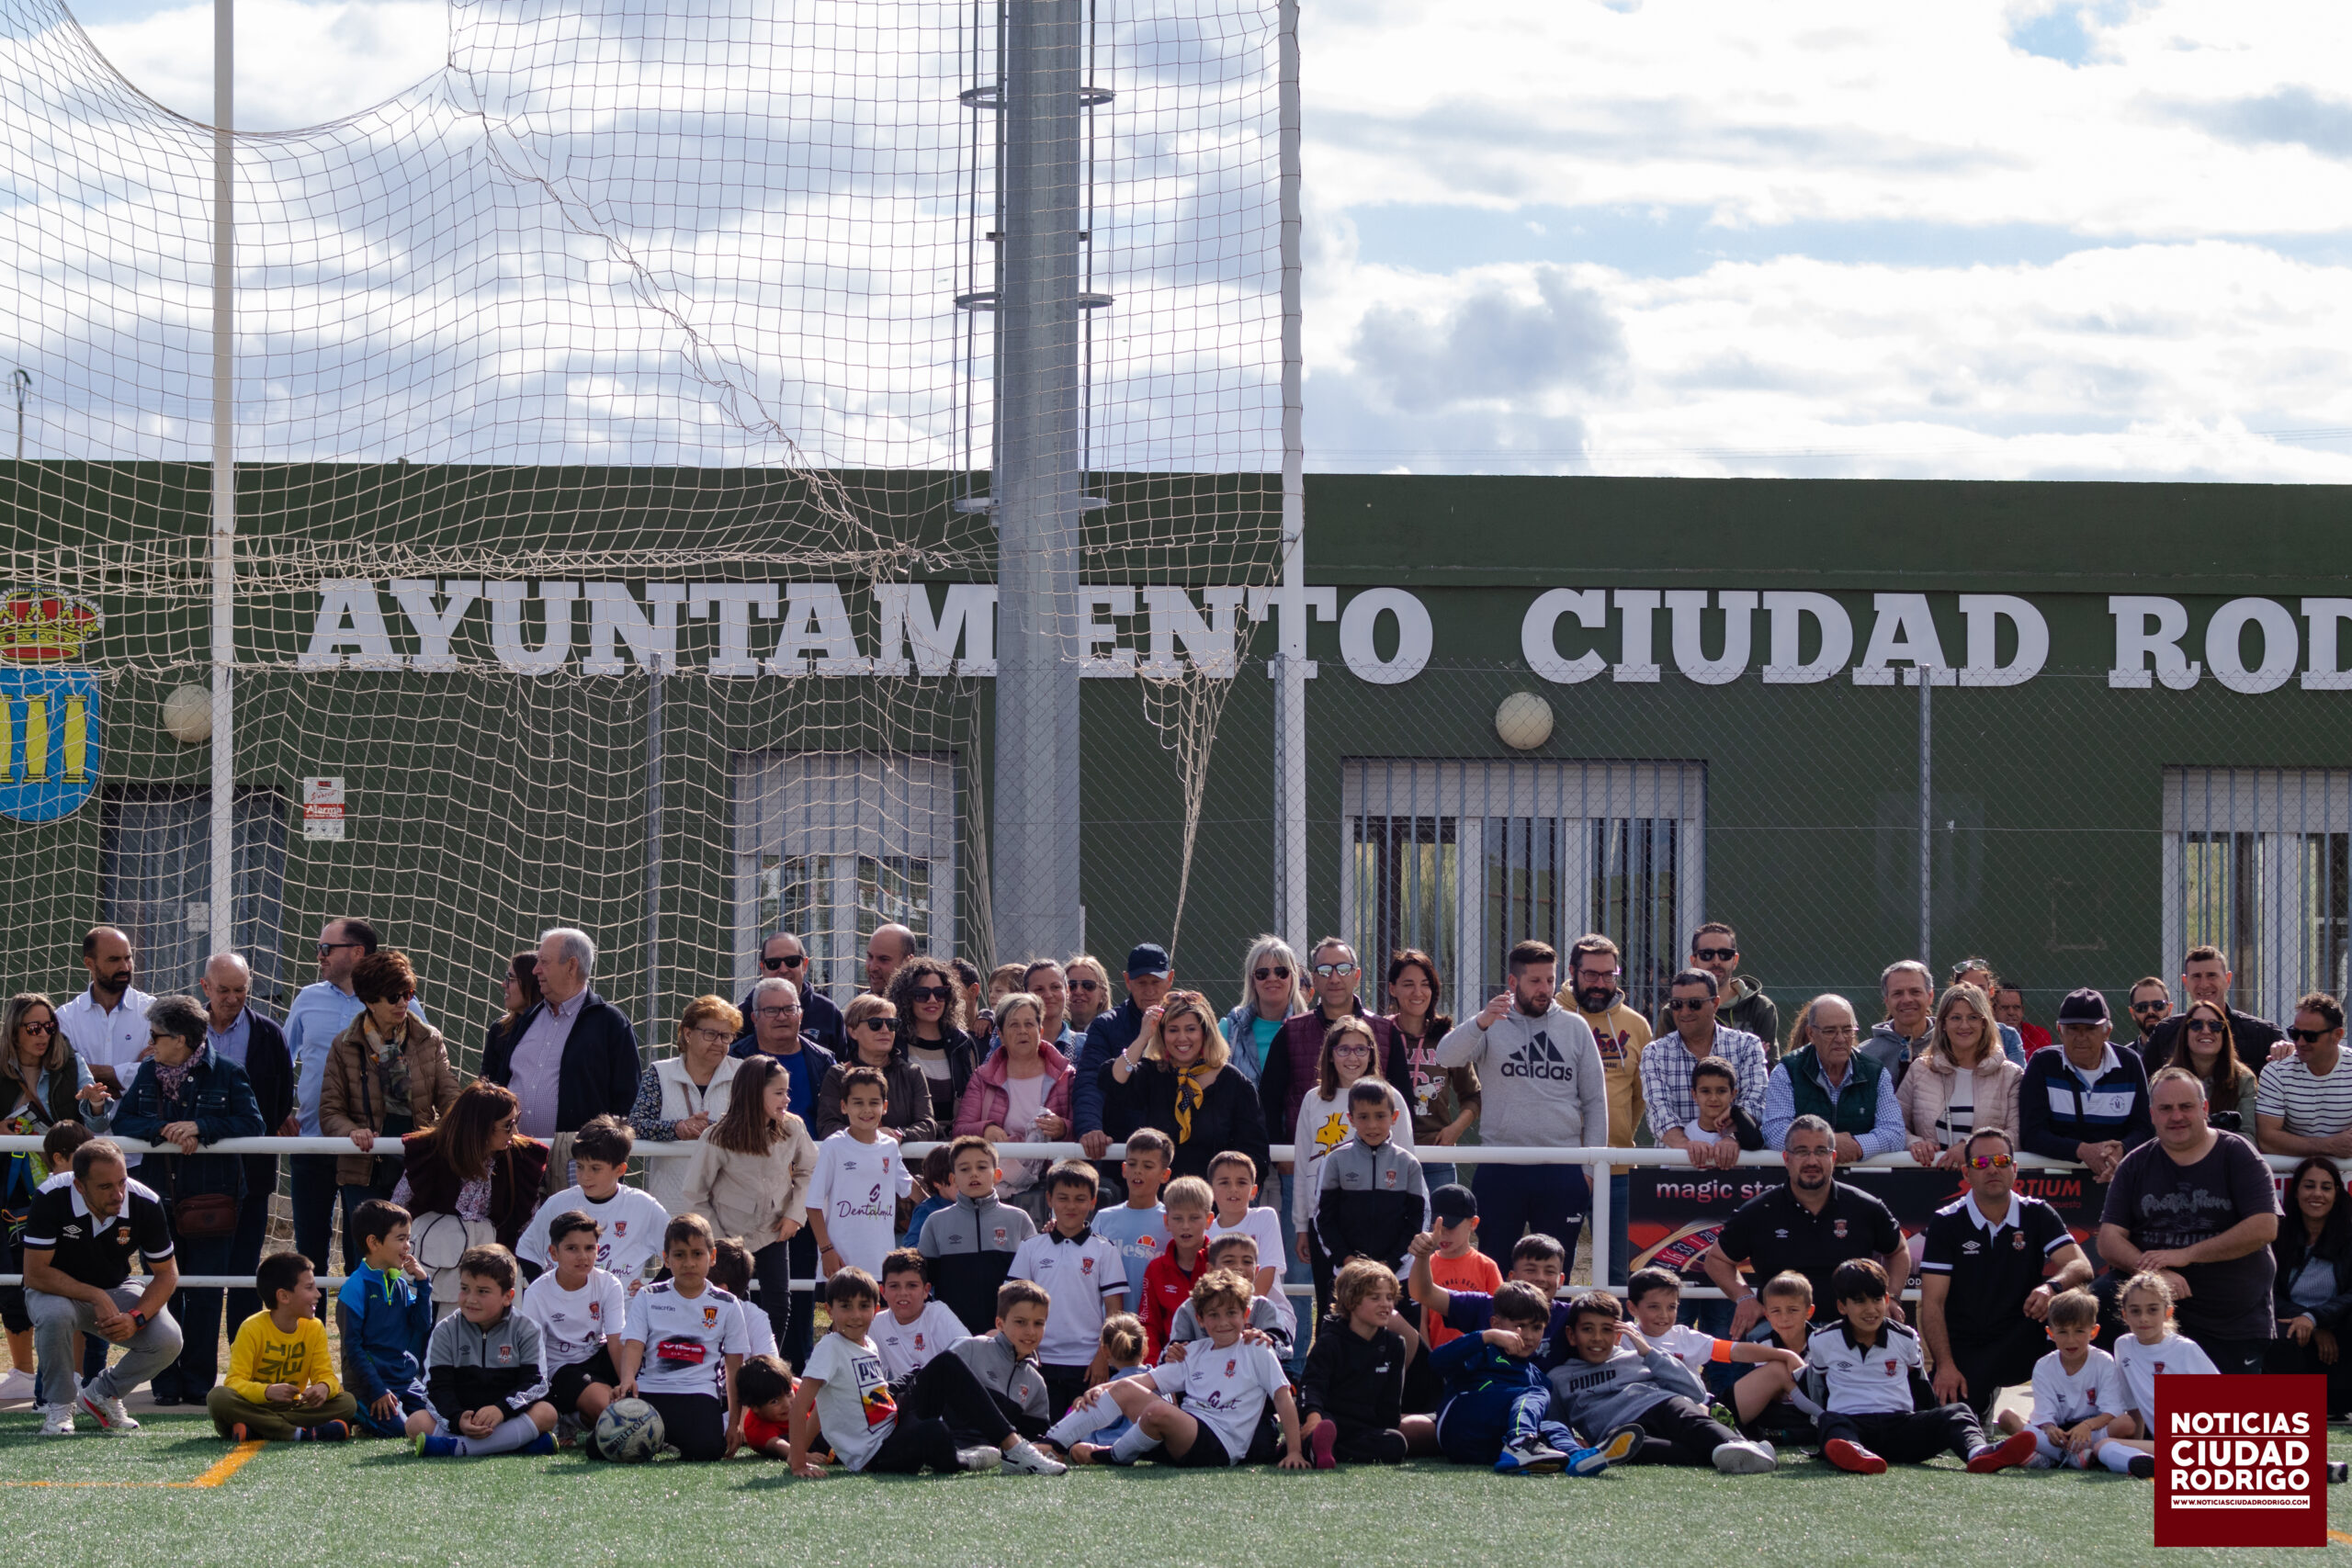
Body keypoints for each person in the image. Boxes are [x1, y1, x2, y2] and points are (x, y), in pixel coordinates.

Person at [110, 992, 266, 1404]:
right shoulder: (148, 1072)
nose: (150, 1044)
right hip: (156, 1202)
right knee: (162, 1291)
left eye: (156, 1036)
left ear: (180, 1039)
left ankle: (198, 1383)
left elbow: (252, 1123)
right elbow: (123, 1120)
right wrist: (163, 1130)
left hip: (213, 1202)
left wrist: (201, 1126)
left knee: (206, 1293)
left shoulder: (228, 1072)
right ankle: (164, 1382)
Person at [788, 1263, 1066, 1477]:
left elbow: (827, 1405)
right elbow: (803, 1405)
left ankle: (1014, 1449)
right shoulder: (831, 1346)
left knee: (946, 1363)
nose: (855, 1315)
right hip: (877, 1456)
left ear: (876, 1309)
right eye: (845, 1307)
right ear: (829, 1310)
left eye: (863, 1307)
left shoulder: (869, 1343)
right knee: (934, 1431)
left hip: (895, 1427)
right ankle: (964, 1460)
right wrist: (798, 1460)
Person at [1436, 939, 1608, 1270]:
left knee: (1555, 1272)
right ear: (1513, 982)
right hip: (1501, 1166)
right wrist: (1481, 1021)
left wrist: (1589, 1171)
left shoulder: (1575, 1027)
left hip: (1562, 1168)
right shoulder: (1490, 1024)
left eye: (1550, 980)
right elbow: (1445, 1056)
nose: (1545, 989)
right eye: (1535, 981)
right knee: (1495, 1268)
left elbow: (1595, 1102)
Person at [2097, 1066, 2281, 1373]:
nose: (2176, 1116)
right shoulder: (2135, 1164)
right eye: (2166, 1108)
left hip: (2230, 1315)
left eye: (2186, 1106)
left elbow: (2264, 1226)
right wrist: (2156, 1275)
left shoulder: (2238, 1154)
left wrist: (2186, 1255)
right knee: (2100, 1296)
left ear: (2204, 1108)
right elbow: (2108, 1240)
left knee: (2221, 1407)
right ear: (2152, 1114)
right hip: (2153, 1309)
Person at [1045, 1268, 1306, 1469]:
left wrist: (1294, 1451)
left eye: (1231, 1313)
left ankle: (1113, 1455)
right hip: (1183, 1435)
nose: (1223, 1322)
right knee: (1123, 1388)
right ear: (1200, 1319)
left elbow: (1283, 1397)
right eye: (1213, 1315)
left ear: (1245, 1315)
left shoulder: (1256, 1347)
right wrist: (1101, 1389)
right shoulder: (1194, 1351)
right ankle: (1050, 1444)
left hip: (1220, 1446)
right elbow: (1147, 1380)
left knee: (1158, 1411)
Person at [1915, 1127, 2094, 1416]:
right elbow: (1932, 1303)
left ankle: (2093, 1415)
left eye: (2001, 1161)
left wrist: (2051, 1287)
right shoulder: (1946, 1222)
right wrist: (1945, 1366)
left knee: (2096, 1300)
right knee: (1946, 1420)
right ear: (1966, 1173)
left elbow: (2081, 1266)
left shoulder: (2037, 1212)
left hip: (2025, 1332)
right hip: (1968, 1341)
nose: (1992, 1169)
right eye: (1981, 1163)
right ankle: (1988, 1407)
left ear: (2014, 1169)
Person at [1806, 1258, 2038, 1475]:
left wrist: (1931, 1419)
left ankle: (1979, 1452)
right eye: (1859, 1301)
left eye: (1876, 1299)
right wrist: (1822, 1425)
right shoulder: (1822, 1340)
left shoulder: (1906, 1337)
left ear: (1886, 1299)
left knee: (1957, 1411)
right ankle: (1854, 1453)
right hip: (1852, 1427)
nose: (1871, 1309)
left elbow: (1920, 1386)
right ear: (1842, 1306)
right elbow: (1817, 1389)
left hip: (1901, 1429)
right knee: (1829, 1419)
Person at [286, 919, 423, 1280]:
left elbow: (424, 1067)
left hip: (368, 1151)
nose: (319, 956)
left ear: (357, 952)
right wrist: (282, 1110)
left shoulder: (402, 1004)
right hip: (312, 1142)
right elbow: (283, 1058)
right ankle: (310, 1317)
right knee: (308, 1254)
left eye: (326, 948)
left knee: (362, 1254)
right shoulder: (307, 998)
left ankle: (358, 1318)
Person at [24, 1136, 181, 1437]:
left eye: (122, 1181)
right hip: (55, 1292)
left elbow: (167, 1274)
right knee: (55, 1315)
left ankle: (102, 1394)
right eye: (105, 1186)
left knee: (168, 1339)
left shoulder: (145, 1201)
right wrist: (94, 1295)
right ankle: (59, 1405)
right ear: (79, 1186)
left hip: (116, 1288)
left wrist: (136, 1318)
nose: (118, 1194)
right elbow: (35, 1274)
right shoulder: (50, 1195)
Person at [1700, 1115, 1905, 1333]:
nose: (1812, 1161)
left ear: (1833, 1157)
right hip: (1779, 1328)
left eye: (1821, 1151)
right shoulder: (1759, 1211)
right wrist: (1744, 1298)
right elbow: (1716, 1260)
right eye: (1802, 1151)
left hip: (1852, 1328)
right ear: (1786, 1158)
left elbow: (1899, 1251)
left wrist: (1891, 1297)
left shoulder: (1864, 1206)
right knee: (1755, 1340)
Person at [2, 991, 110, 1403]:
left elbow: (96, 1124)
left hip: (67, 1184)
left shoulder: (70, 1063)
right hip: (9, 1187)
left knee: (74, 1276)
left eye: (49, 1026)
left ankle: (77, 1377)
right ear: (14, 1030)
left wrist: (95, 1105)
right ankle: (24, 1373)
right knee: (14, 1275)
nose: (43, 1035)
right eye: (33, 1027)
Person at [321, 949, 459, 1269]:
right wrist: (352, 1132)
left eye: (408, 994)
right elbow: (330, 1111)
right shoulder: (344, 1045)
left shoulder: (429, 1039)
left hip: (418, 1167)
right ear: (369, 1000)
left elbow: (451, 1097)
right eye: (393, 996)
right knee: (365, 1262)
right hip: (363, 1170)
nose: (403, 1003)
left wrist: (447, 1133)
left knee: (415, 1257)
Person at [680, 1052, 817, 1367]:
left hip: (773, 1232)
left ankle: (766, 1367)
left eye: (787, 1092)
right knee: (732, 1305)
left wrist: (795, 1215)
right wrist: (718, 1240)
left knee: (779, 1305)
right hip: (729, 1238)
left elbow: (810, 1169)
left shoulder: (793, 1128)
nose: (787, 1099)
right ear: (755, 1093)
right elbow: (695, 1192)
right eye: (779, 1093)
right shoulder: (718, 1136)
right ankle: (730, 1368)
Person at [1547, 1291, 1779, 1472]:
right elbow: (1555, 1422)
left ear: (1618, 1335)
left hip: (1660, 1406)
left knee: (1685, 1413)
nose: (1597, 1338)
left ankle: (1736, 1444)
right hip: (1619, 1431)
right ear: (1571, 1335)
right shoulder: (1558, 1377)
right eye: (1588, 1330)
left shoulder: (1640, 1357)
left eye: (1606, 1330)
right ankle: (1744, 1453)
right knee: (1639, 1450)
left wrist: (1649, 1353)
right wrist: (1573, 1443)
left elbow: (1696, 1392)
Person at [481, 928, 642, 1171]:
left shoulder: (611, 1024)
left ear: (571, 966)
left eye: (544, 962)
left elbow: (628, 1103)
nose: (536, 970)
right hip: (514, 1160)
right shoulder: (527, 1019)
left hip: (578, 1165)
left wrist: (600, 1157)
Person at [1424, 1280, 1613, 1474]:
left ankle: (1577, 1457)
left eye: (1537, 1327)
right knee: (1536, 1393)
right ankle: (1521, 1443)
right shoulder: (1483, 1351)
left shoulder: (1536, 1377)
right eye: (1520, 1325)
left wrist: (1569, 1438)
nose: (1529, 1336)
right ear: (1495, 1324)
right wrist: (1486, 1336)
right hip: (1459, 1426)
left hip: (1490, 1447)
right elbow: (1436, 1361)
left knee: (1552, 1425)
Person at [195, 953, 290, 1337]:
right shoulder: (184, 1030)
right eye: (224, 990)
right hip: (196, 1171)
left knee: (245, 1269)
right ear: (205, 987)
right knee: (199, 1273)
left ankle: (243, 1355)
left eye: (240, 990)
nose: (232, 998)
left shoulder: (269, 1034)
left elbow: (281, 1100)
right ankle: (194, 1359)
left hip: (253, 1171)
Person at [1256, 940, 1411, 1171]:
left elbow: (1403, 1099)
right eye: (1325, 971)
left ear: (1357, 976)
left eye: (1344, 969)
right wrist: (1282, 1158)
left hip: (1375, 1164)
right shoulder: (1291, 1031)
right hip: (1305, 1164)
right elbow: (1268, 1100)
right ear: (1314, 979)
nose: (1335, 978)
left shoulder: (1385, 1032)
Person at [392, 1081, 550, 1304]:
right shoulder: (431, 1152)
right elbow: (398, 1209)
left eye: (517, 1121)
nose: (515, 1132)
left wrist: (547, 1274)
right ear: (481, 1127)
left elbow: (530, 1225)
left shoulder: (521, 1159)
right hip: (433, 1270)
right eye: (508, 1125)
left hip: (492, 1271)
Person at [605, 1214, 745, 1461]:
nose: (689, 1263)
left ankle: (665, 1439)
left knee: (708, 1450)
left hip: (699, 1394)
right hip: (649, 1391)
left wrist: (735, 1424)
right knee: (602, 1449)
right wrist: (627, 1379)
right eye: (679, 1255)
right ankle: (659, 1438)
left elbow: (735, 1368)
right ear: (666, 1259)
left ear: (712, 1257)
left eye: (697, 1254)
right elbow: (634, 1345)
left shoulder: (728, 1304)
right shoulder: (648, 1296)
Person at [409, 1244, 557, 1458]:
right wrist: (458, 1419)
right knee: (416, 1422)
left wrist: (501, 1410)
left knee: (546, 1413)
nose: (471, 1299)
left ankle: (458, 1448)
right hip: (462, 1421)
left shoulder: (526, 1329)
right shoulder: (445, 1330)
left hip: (507, 1418)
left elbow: (535, 1384)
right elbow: (436, 1389)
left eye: (483, 1291)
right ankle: (513, 1445)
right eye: (465, 1288)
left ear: (508, 1296)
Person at [1105, 991, 1271, 1183]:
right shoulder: (1153, 1074)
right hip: (1159, 1194)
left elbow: (1255, 1154)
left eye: (1191, 1029)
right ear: (1162, 1034)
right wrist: (1143, 1037)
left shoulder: (1235, 1084)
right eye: (1173, 1030)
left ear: (1205, 1032)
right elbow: (1114, 1080)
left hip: (1213, 1196)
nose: (1182, 1038)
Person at [1007, 1160, 1128, 1414]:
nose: (1071, 1206)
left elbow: (1114, 1311)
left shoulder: (1104, 1250)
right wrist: (1021, 1349)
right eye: (1063, 1198)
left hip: (1087, 1364)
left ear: (1093, 1202)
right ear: (1049, 1199)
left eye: (1080, 1199)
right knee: (1039, 1429)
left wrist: (1102, 1356)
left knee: (1081, 1431)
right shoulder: (1031, 1248)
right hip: (1038, 1358)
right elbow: (1012, 1303)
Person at [1292, 1016, 1415, 1266]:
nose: (1352, 1057)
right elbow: (1303, 1166)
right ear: (1330, 1054)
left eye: (1360, 1049)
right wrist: (1301, 1225)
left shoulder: (1392, 1098)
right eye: (1343, 1049)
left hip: (1379, 1219)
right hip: (1325, 1221)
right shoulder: (1313, 1100)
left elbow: (1406, 1162)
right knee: (1331, 1291)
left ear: (1371, 1054)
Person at [1565, 934, 1649, 1285]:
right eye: (1591, 975)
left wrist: (1619, 1134)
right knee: (1554, 1269)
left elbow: (1639, 1097)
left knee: (1620, 1275)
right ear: (1572, 972)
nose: (1600, 984)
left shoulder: (1636, 1025)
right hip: (1561, 1166)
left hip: (1617, 1169)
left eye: (1608, 975)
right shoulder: (1553, 1017)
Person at [207, 1252, 356, 1441]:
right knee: (218, 1398)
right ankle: (297, 1433)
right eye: (309, 1287)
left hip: (291, 1408)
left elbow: (326, 1375)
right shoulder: (251, 1328)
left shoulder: (315, 1328)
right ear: (284, 1296)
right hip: (253, 1405)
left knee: (347, 1403)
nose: (318, 1294)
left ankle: (258, 1429)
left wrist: (324, 1387)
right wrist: (267, 1391)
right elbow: (234, 1382)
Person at [953, 991, 1073, 1219]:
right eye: (1014, 1025)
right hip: (994, 1186)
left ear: (1040, 1031)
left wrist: (1063, 1127)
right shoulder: (982, 1077)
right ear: (1000, 1034)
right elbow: (960, 1131)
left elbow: (1081, 1129)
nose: (1022, 1031)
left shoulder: (1067, 1076)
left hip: (1051, 1183)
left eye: (1029, 1024)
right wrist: (985, 1129)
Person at [1998, 1287, 2144, 1475]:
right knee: (2007, 1418)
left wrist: (2087, 1426)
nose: (2071, 1340)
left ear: (2094, 1331)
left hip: (2091, 1430)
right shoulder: (2044, 1366)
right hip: (2058, 1434)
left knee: (2126, 1424)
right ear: (2051, 1333)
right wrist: (2050, 1429)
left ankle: (2047, 1456)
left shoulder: (2104, 1361)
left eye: (2079, 1331)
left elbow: (2112, 1411)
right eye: (2063, 1332)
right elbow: (2044, 1415)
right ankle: (2071, 1457)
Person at [1314, 1082, 1430, 1314]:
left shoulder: (1408, 1163)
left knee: (1400, 1335)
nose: (1372, 1125)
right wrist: (1346, 1260)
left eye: (1380, 1116)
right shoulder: (1335, 1161)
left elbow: (1419, 1220)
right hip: (1348, 1275)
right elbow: (1322, 1218)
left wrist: (1392, 1263)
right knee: (1344, 1334)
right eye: (1363, 1117)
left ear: (1394, 1117)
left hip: (1397, 1276)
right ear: (1351, 1119)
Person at [515, 1115, 667, 1289]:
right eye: (579, 1166)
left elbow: (678, 1250)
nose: (585, 1176)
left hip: (624, 1305)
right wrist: (546, 1290)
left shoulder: (643, 1206)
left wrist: (652, 1291)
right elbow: (526, 1249)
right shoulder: (558, 1203)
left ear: (620, 1169)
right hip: (567, 1305)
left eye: (595, 1168)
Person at [2018, 987, 2154, 1182]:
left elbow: (2144, 1129)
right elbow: (2031, 1134)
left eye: (2090, 1029)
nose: (2081, 1037)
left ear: (2107, 1032)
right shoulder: (2042, 1064)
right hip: (2055, 1183)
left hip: (2119, 1178)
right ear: (2060, 1031)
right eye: (2073, 1028)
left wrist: (2121, 1149)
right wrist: (2082, 1151)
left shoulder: (2130, 1063)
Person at [628, 995, 745, 1218]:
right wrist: (677, 1129)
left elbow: (756, 1128)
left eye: (726, 1036)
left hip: (729, 1207)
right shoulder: (660, 1073)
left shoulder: (743, 1074)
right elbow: (636, 1125)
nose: (719, 1043)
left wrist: (711, 1129)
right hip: (671, 1204)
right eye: (710, 1034)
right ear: (688, 1034)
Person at [1643, 967, 1770, 1167]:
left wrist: (1733, 1138)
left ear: (1715, 1004)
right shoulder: (1655, 1052)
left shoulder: (1748, 1045)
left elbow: (1756, 1101)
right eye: (1677, 1004)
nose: (1685, 1012)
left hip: (1739, 1171)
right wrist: (1687, 1147)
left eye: (1694, 1004)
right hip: (1676, 1174)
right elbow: (1658, 1111)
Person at [1297, 1257, 1415, 1468]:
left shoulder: (1395, 1345)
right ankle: (1315, 1442)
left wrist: (1384, 1428)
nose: (1385, 1304)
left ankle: (1326, 1450)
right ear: (1351, 1301)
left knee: (1396, 1443)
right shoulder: (1330, 1342)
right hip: (1329, 1420)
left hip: (1364, 1430)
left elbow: (1390, 1409)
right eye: (1375, 1297)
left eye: (1389, 1297)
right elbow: (1312, 1386)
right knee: (1322, 1426)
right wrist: (1313, 1417)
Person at [521, 1209, 626, 1441]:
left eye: (589, 1248)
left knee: (643, 1386)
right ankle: (564, 1413)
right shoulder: (537, 1293)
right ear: (553, 1253)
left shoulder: (609, 1283)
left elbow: (616, 1342)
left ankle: (577, 1418)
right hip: (562, 1369)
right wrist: (542, 1402)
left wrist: (628, 1386)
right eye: (572, 1248)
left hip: (598, 1356)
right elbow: (534, 1355)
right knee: (612, 1412)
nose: (583, 1256)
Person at [919, 1134, 1039, 1335]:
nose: (974, 1174)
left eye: (982, 1167)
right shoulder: (935, 1222)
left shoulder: (1019, 1220)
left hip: (1007, 1335)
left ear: (997, 1175)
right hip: (952, 1337)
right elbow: (924, 1285)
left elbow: (1034, 1281)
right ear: (953, 1178)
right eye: (964, 1169)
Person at [1761, 994, 1905, 1160]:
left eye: (1847, 1030)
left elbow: (1895, 1133)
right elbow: (1775, 1132)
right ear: (1811, 1033)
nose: (1841, 1039)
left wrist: (1857, 1146)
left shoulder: (1876, 1072)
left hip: (1861, 1174)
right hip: (1804, 1172)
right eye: (1830, 1031)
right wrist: (1827, 1144)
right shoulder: (1788, 1070)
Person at [336, 1199, 435, 1438]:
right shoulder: (355, 1287)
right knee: (402, 1430)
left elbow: (422, 1324)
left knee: (439, 1418)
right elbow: (353, 1349)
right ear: (373, 1242)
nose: (407, 1246)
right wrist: (377, 1390)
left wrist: (423, 1284)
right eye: (401, 1238)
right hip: (369, 1384)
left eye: (408, 1239)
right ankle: (357, 1410)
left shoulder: (398, 1283)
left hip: (403, 1379)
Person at [806, 1066, 914, 1283]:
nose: (866, 1110)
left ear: (884, 1107)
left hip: (880, 1266)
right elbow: (813, 1205)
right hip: (840, 1266)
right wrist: (826, 1250)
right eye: (858, 1103)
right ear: (844, 1106)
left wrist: (941, 1205)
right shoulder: (833, 1147)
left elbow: (909, 1187)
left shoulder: (890, 1147)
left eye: (874, 1102)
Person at [1384, 947, 1477, 1190]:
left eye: (1425, 984)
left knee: (1440, 1215)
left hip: (1436, 1153)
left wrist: (1455, 1130)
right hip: (1386, 1151)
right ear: (1393, 988)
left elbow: (1473, 1096)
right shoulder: (1379, 1033)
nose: (1418, 992)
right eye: (1408, 984)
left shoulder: (1448, 1037)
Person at [1899, 982, 2023, 1167]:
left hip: (1985, 1177)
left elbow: (2017, 1133)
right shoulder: (1920, 1070)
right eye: (1956, 1018)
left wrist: (1971, 1147)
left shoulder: (2011, 1075)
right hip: (1927, 1177)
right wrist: (1914, 1143)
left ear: (1984, 1023)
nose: (1964, 1025)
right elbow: (1895, 1125)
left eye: (1973, 1017)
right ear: (1943, 1024)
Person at [2266, 1156, 2352, 1413]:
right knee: (2276, 1335)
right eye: (2309, 1185)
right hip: (2295, 1329)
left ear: (2336, 1194)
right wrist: (2306, 1321)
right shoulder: (2276, 1233)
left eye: (2326, 1187)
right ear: (2296, 1191)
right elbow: (2266, 1290)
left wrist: (2315, 1318)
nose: (2317, 1194)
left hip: (2339, 1333)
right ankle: (2291, 1409)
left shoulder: (2349, 1236)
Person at [1072, 943, 1172, 1163]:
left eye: (1156, 982)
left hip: (1174, 1146)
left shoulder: (1184, 1023)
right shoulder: (1107, 1025)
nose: (1149, 991)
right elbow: (1090, 1080)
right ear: (1127, 981)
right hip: (1120, 1148)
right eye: (1141, 983)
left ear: (1170, 979)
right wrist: (1090, 1128)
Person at [2107, 1270, 2218, 1457]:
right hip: (2167, 1446)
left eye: (2152, 1310)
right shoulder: (2123, 1346)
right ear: (2125, 1315)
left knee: (2105, 1445)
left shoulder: (2185, 1349)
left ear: (2168, 1312)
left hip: (2201, 1443)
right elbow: (2133, 1405)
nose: (2144, 1318)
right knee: (2107, 1448)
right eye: (2135, 1311)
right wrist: (2136, 1445)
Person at [2141, 942, 2284, 1076]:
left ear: (2228, 979)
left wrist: (2286, 1050)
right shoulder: (2165, 1033)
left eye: (2211, 975)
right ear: (2186, 982)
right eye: (2196, 976)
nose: (2204, 984)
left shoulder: (2263, 1034)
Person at [815, 992, 938, 1143]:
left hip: (901, 1158)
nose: (885, 1030)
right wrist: (871, 1135)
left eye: (892, 1024)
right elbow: (827, 1128)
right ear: (853, 1031)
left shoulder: (912, 1073)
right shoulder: (838, 1075)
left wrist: (898, 1135)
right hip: (853, 1157)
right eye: (875, 1024)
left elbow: (927, 1126)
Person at [948, 1279, 1053, 1440]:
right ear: (1000, 1323)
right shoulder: (970, 1349)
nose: (1031, 1332)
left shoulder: (1036, 1383)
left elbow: (1033, 1441)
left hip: (994, 1452)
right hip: (947, 1443)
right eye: (1020, 1322)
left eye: (1038, 1323)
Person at [56, 925, 153, 1099]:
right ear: (89, 963)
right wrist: (130, 1076)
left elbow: (156, 1072)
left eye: (128, 958)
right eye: (114, 960)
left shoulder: (153, 1012)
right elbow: (65, 1077)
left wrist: (91, 1071)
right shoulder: (65, 1018)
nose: (124, 967)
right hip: (83, 1116)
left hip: (139, 1117)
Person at [886, 957, 978, 1128]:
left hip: (954, 1139)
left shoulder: (961, 1043)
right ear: (906, 998)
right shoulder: (893, 1042)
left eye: (940, 993)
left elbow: (972, 1099)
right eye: (922, 994)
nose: (933, 1000)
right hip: (908, 1138)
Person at [2257, 991, 2352, 1156]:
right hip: (2291, 1172)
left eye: (2310, 1036)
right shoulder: (2276, 1072)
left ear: (2337, 1035)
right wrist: (2328, 1146)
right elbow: (2267, 1139)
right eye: (2295, 1033)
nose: (2300, 1042)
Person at [1415, 1185, 1501, 1350]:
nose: (1442, 1234)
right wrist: (1428, 1357)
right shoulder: (1427, 1264)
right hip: (1439, 1356)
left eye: (1450, 1227)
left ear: (1473, 1223)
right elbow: (1422, 1322)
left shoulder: (1487, 1267)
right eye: (1436, 1227)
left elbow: (1500, 1316)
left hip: (1479, 1356)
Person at [1674, 922, 1780, 1058]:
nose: (1716, 961)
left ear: (1735, 960)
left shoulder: (1760, 1007)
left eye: (1725, 954)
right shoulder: (1677, 1009)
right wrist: (1746, 1056)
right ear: (1694, 962)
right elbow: (1670, 1063)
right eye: (1707, 954)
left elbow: (1769, 1065)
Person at [1137, 1175, 1214, 1359]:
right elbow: (1149, 1325)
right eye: (1178, 1218)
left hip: (1217, 1363)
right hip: (1171, 1363)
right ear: (1166, 1222)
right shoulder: (1156, 1269)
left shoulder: (1221, 1262)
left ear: (1209, 1220)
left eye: (1194, 1218)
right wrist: (1155, 1367)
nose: (1185, 1226)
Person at [1095, 1126, 1172, 1305]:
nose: (1138, 1171)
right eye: (1132, 1164)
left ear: (1165, 1175)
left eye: (1148, 1166)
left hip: (1155, 1322)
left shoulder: (1172, 1222)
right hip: (1111, 1321)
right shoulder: (1104, 1218)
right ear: (1124, 1169)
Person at [874, 1247, 968, 1382]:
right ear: (883, 1291)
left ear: (926, 1290)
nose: (903, 1293)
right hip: (904, 1393)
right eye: (894, 1286)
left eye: (912, 1285)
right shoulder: (877, 1324)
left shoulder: (938, 1314)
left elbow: (970, 1356)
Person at [1222, 934, 1306, 1086]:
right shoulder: (1229, 1030)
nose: (1272, 978)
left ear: (1293, 978)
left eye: (1281, 972)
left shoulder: (1309, 1028)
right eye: (1262, 973)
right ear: (1252, 980)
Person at [743, 931, 844, 1055]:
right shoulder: (742, 1016)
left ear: (804, 965)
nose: (783, 970)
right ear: (762, 968)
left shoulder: (828, 1012)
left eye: (792, 961)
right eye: (773, 963)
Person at [2169, 995, 2260, 1126]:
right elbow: (2158, 1131)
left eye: (2215, 1025)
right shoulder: (2163, 1080)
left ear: (2224, 1034)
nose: (2206, 1031)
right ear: (2185, 1033)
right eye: (2196, 1024)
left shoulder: (2244, 1080)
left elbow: (2247, 1133)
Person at [1860, 961, 1934, 1084]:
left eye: (1915, 992)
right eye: (1897, 993)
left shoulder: (1949, 1045)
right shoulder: (1866, 1055)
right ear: (1887, 1001)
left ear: (1930, 996)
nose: (1907, 999)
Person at [1946, 960, 2027, 1065]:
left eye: (1980, 988)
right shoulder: (1940, 1034)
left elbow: (2018, 1074)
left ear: (1991, 991)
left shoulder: (2008, 1036)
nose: (1974, 993)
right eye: (1966, 988)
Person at [481, 953, 541, 1089]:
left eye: (511, 979)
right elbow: (486, 1082)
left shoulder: (553, 1029)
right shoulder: (499, 1029)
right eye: (506, 977)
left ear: (531, 983)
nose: (503, 984)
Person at [736, 1353, 797, 1460]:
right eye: (774, 1401)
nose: (787, 1404)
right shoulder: (757, 1429)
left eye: (788, 1394)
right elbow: (778, 1445)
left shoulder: (792, 1391)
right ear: (755, 1407)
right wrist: (802, 1456)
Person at [1021, 958, 1080, 1052]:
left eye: (1055, 987)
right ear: (1026, 995)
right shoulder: (1011, 1042)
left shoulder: (1084, 1045)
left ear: (1067, 991)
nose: (1048, 995)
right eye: (1039, 989)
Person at [2120, 976, 2172, 1062]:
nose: (2150, 1011)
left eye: (2158, 1005)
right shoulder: (2123, 1060)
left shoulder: (2185, 1053)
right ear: (2132, 1013)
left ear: (2169, 1009)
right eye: (2142, 1007)